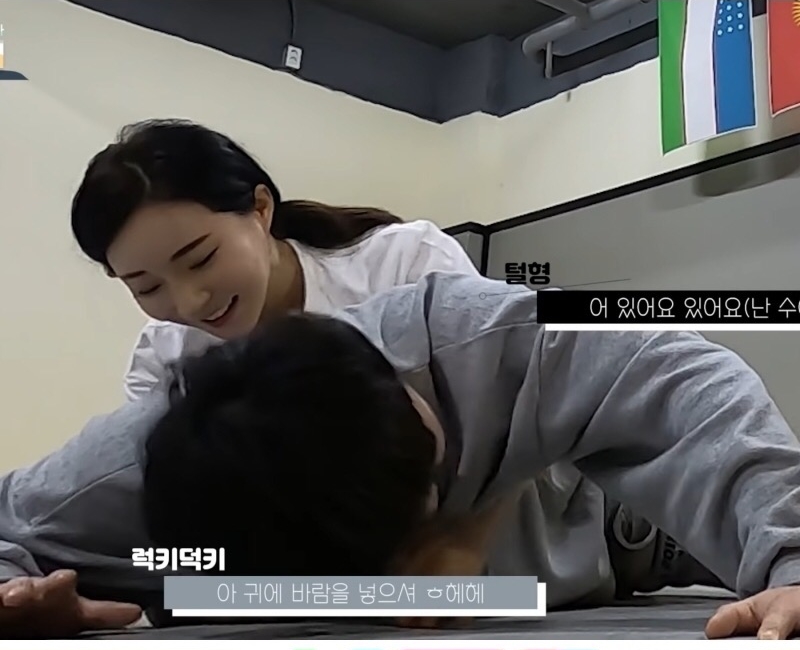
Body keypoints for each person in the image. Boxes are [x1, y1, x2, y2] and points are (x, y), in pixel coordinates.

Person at [1, 273, 800, 639]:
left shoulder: (474, 336)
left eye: (433, 480)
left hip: (629, 540)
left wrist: (791, 560)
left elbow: (688, 382)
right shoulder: (132, 478)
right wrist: (20, 597)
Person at [70, 118, 479, 401]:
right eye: (147, 287)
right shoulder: (163, 362)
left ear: (261, 208)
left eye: (201, 260)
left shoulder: (407, 265)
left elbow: (495, 412)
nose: (190, 303)